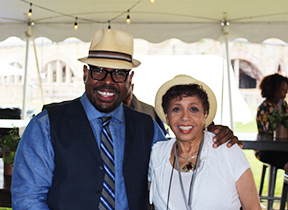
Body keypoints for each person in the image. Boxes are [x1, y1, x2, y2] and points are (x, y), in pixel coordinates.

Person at [11, 29, 239, 210]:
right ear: (85, 74)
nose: (108, 81)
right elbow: (27, 199)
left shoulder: (147, 127)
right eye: (99, 70)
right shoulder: (46, 125)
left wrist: (211, 138)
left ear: (130, 80)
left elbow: (178, 161)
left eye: (119, 73)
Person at [149, 75, 261, 209]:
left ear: (205, 116)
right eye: (176, 109)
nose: (185, 117)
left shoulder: (227, 150)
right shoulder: (157, 154)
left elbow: (253, 207)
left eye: (193, 109)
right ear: (167, 117)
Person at [256, 73, 288, 173]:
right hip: (267, 149)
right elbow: (269, 130)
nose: (285, 93)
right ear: (273, 89)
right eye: (283, 89)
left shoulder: (284, 106)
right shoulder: (264, 108)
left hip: (283, 148)